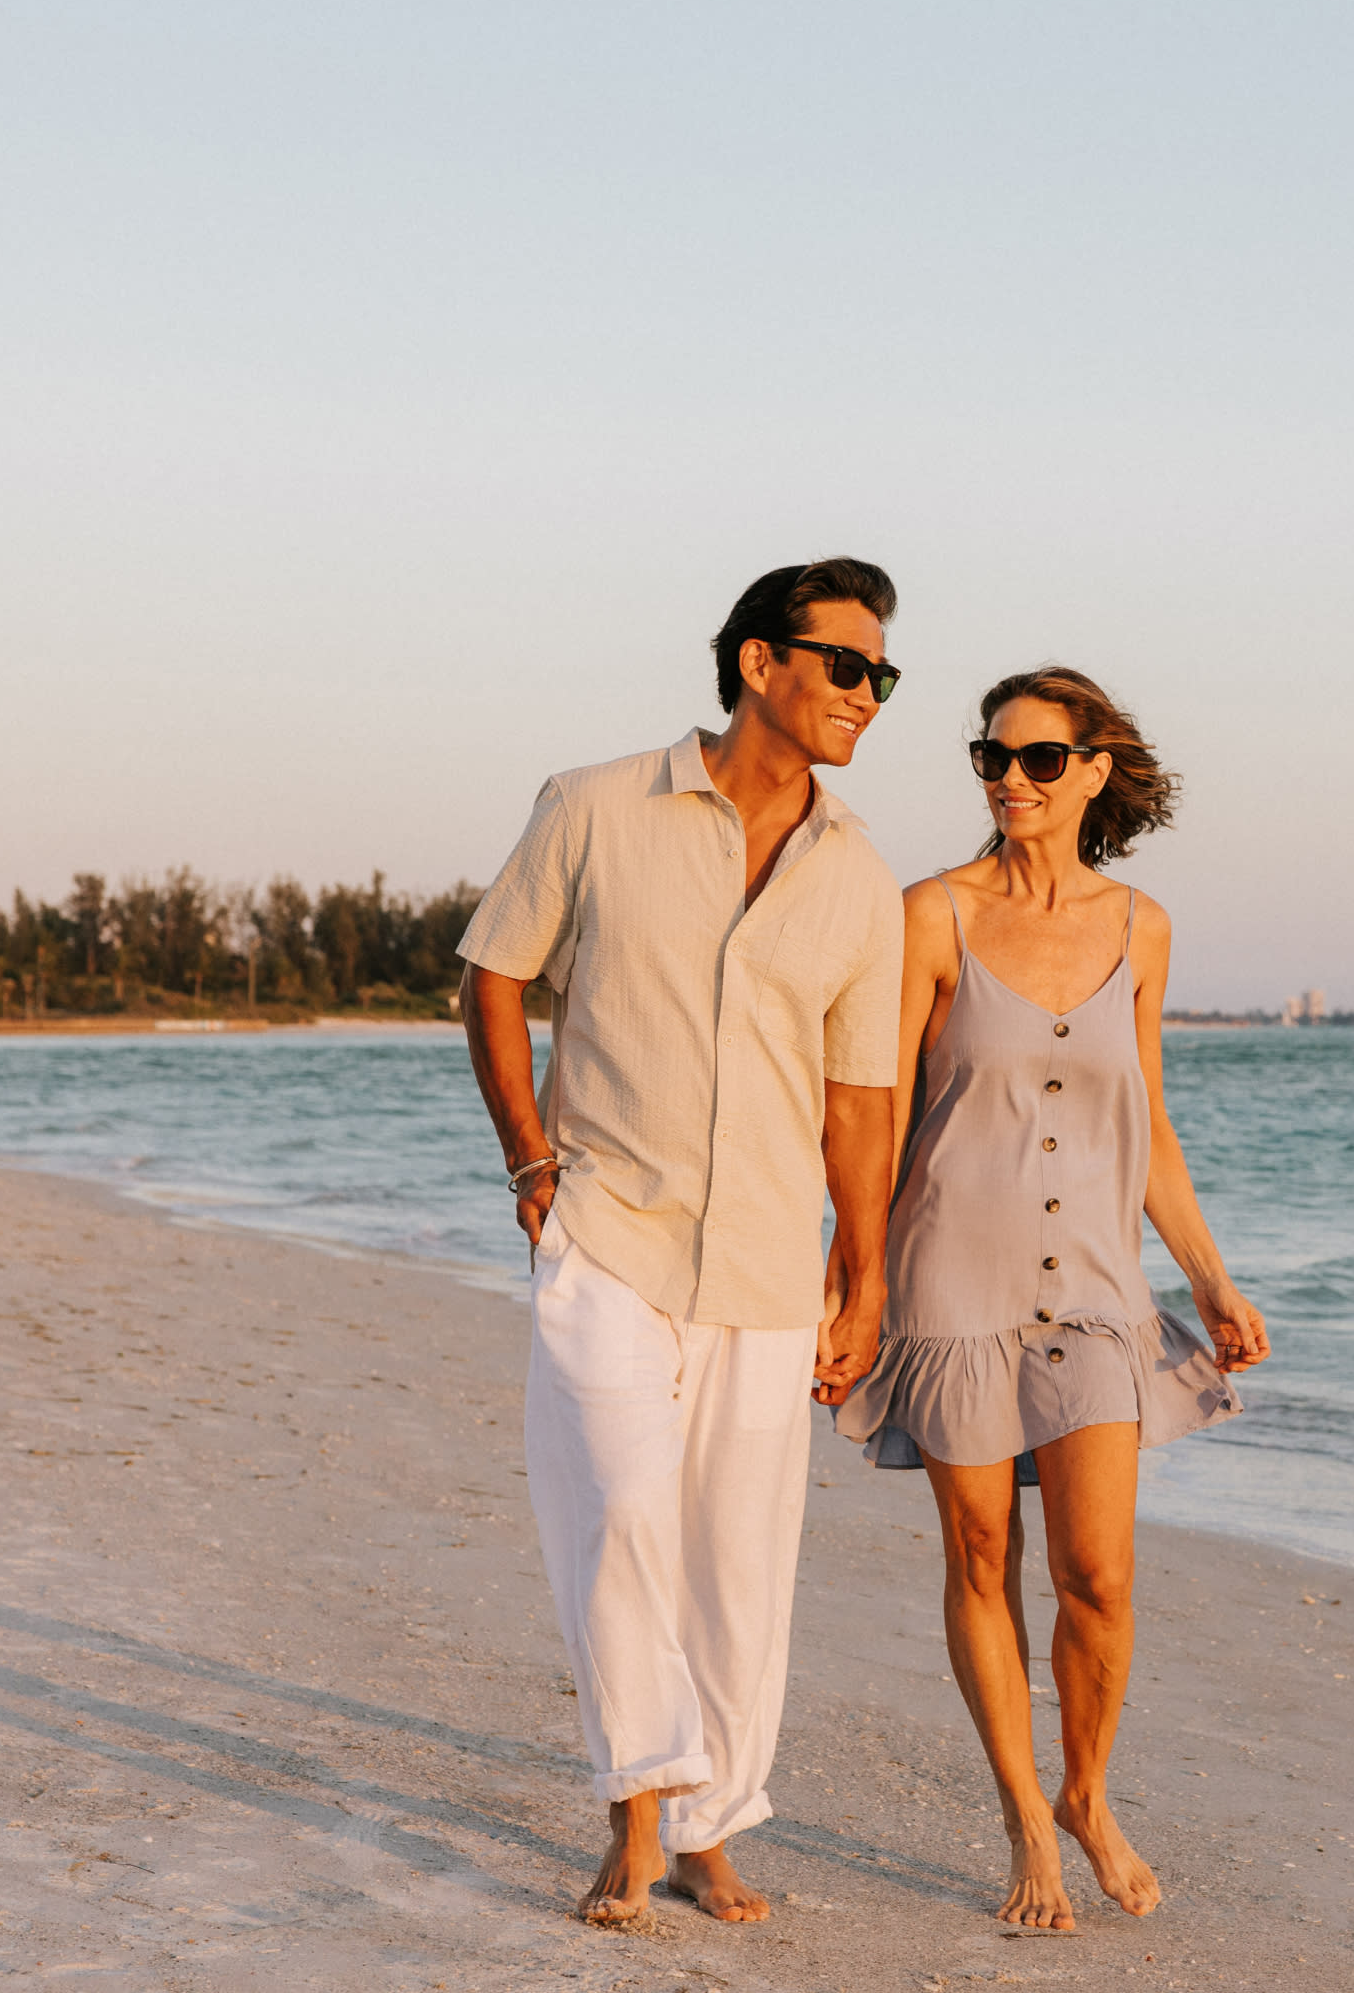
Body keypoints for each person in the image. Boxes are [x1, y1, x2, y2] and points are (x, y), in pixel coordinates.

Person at [456, 558, 906, 1927]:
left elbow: (860, 1098)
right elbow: (494, 973)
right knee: (621, 1516)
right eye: (847, 667)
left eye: (885, 677)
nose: (867, 697)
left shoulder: (859, 875)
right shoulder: (594, 805)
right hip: (610, 1229)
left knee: (738, 1557)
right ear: (762, 663)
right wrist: (530, 1160)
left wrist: (866, 1271)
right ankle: (634, 1810)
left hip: (769, 1264)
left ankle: (710, 1829)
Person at [836, 665, 1271, 1931]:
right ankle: (1027, 1817)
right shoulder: (932, 914)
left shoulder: (1142, 926)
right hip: (948, 1278)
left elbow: (1150, 1127)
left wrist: (1212, 1276)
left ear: (1092, 771)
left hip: (1092, 1285)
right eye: (990, 757)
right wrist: (847, 1280)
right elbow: (878, 1115)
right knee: (982, 1555)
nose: (1009, 780)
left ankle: (1087, 1791)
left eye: (1036, 759)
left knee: (1100, 1575)